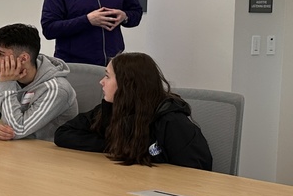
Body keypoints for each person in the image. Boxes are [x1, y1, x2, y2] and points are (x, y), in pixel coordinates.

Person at [54, 52, 213, 169]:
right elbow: (63, 134)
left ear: (127, 85)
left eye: (108, 77)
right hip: (123, 182)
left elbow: (198, 168)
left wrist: (125, 148)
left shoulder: (171, 120)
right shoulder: (111, 108)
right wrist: (117, 146)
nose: (101, 82)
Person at [0, 23, 77, 141]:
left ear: (23, 58)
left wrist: (7, 84)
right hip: (15, 151)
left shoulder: (57, 89)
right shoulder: (2, 80)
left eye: (1, 54)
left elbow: (16, 130)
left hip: (48, 155)